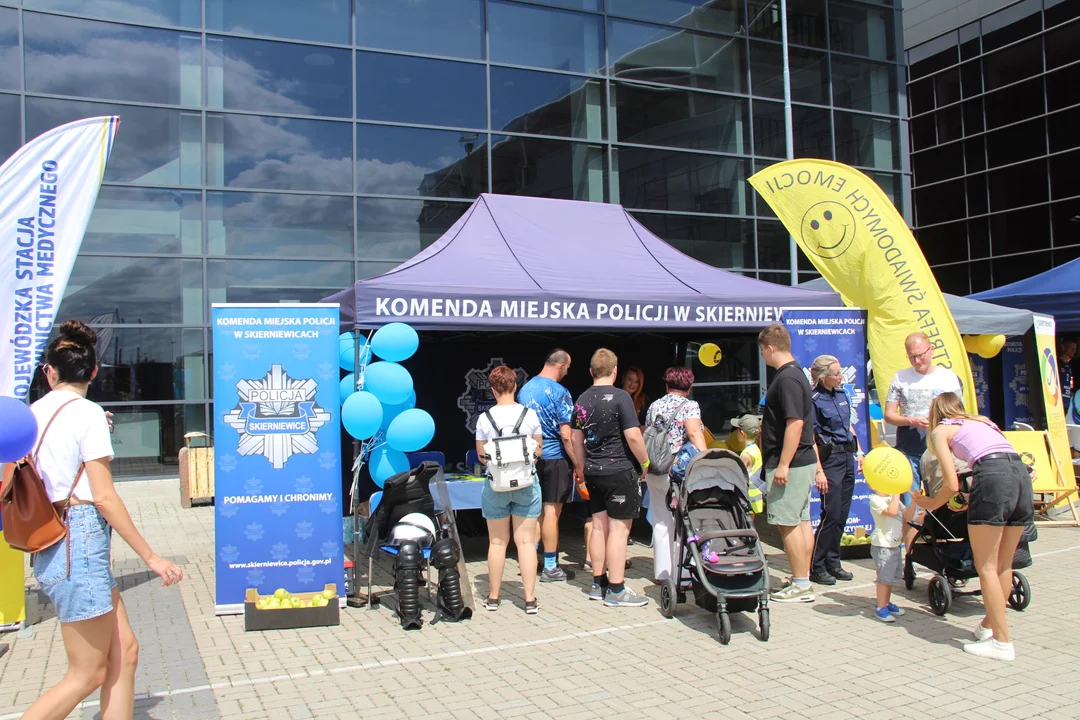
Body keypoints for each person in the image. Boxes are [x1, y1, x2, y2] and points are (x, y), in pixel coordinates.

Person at [20, 321, 183, 720]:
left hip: (55, 542)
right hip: (80, 544)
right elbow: (105, 498)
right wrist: (151, 557)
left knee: (125, 652)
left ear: (49, 372)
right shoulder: (89, 415)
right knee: (87, 674)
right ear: (94, 372)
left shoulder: (33, 414)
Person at [913, 391, 1034, 661]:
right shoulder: (983, 422)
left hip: (991, 476)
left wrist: (930, 503)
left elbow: (952, 484)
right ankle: (988, 627)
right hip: (1021, 476)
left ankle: (1002, 643)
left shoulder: (941, 431)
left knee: (986, 567)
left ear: (936, 414)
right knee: (1004, 565)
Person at [571, 348, 651, 607]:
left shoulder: (581, 399)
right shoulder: (621, 397)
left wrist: (582, 468)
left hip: (593, 471)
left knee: (597, 526)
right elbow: (633, 435)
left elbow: (575, 438)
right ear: (615, 371)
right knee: (619, 530)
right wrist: (645, 462)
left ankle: (597, 583)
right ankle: (616, 588)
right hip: (618, 471)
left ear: (591, 371)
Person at [758, 324, 827, 603]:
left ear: (770, 348)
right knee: (801, 522)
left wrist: (784, 463)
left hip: (792, 462)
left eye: (762, 351)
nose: (762, 356)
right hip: (804, 460)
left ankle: (800, 584)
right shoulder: (798, 373)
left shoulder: (786, 378)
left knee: (787, 523)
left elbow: (795, 423)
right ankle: (802, 577)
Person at [475, 365, 544, 614]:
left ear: (493, 390)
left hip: (496, 484)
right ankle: (529, 599)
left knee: (497, 541)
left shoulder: (485, 418)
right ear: (515, 386)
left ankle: (493, 597)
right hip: (526, 482)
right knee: (525, 543)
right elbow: (538, 451)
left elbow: (482, 455)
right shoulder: (530, 415)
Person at [517, 349, 577, 583]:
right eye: (568, 367)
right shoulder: (560, 392)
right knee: (551, 511)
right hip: (555, 457)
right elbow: (566, 434)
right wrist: (578, 463)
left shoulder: (525, 389)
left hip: (531, 457)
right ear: (561, 366)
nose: (568, 371)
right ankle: (551, 566)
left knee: (535, 511)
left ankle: (530, 560)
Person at [643, 367, 707, 582]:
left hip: (655, 469)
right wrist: (705, 459)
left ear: (667, 384)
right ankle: (684, 574)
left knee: (661, 521)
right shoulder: (689, 406)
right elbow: (693, 432)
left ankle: (663, 573)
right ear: (689, 387)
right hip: (678, 472)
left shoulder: (654, 405)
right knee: (683, 523)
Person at [883, 332, 962, 505]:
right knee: (910, 498)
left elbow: (958, 415)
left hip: (939, 446)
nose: (917, 361)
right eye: (911, 357)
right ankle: (911, 529)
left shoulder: (948, 378)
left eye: (920, 356)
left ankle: (939, 529)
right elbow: (889, 415)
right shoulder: (900, 377)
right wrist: (911, 420)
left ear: (931, 350)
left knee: (940, 495)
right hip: (909, 443)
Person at [808, 355, 863, 586]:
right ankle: (817, 565)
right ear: (823, 377)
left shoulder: (841, 394)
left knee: (842, 514)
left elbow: (847, 424)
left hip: (847, 455)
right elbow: (811, 436)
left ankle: (834, 561)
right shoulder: (814, 399)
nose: (841, 377)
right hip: (829, 459)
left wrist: (859, 452)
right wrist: (819, 470)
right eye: (836, 374)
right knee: (830, 513)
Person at [868, 489, 906, 623]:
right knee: (884, 579)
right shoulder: (875, 499)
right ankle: (881, 608)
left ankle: (886, 602)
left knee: (890, 578)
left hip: (895, 545)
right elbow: (892, 512)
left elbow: (906, 514)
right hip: (883, 546)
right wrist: (897, 493)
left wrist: (916, 503)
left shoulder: (892, 497)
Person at [1060, 338, 1076, 408]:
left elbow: (1070, 384)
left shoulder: (1069, 365)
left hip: (1068, 403)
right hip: (1058, 402)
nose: (1073, 350)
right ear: (1063, 347)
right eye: (1071, 348)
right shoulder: (1057, 363)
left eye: (1075, 348)